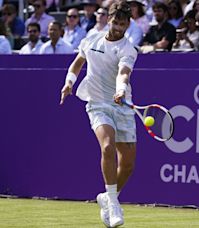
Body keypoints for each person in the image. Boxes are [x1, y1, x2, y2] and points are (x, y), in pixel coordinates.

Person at [59, 1, 138, 227]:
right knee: (107, 146)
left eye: (123, 24)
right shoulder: (90, 39)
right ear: (109, 20)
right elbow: (77, 64)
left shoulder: (128, 48)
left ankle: (107, 196)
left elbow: (123, 73)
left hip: (121, 104)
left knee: (129, 164)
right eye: (115, 23)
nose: (118, 28)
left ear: (128, 24)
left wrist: (121, 89)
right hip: (97, 103)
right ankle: (113, 203)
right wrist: (69, 84)